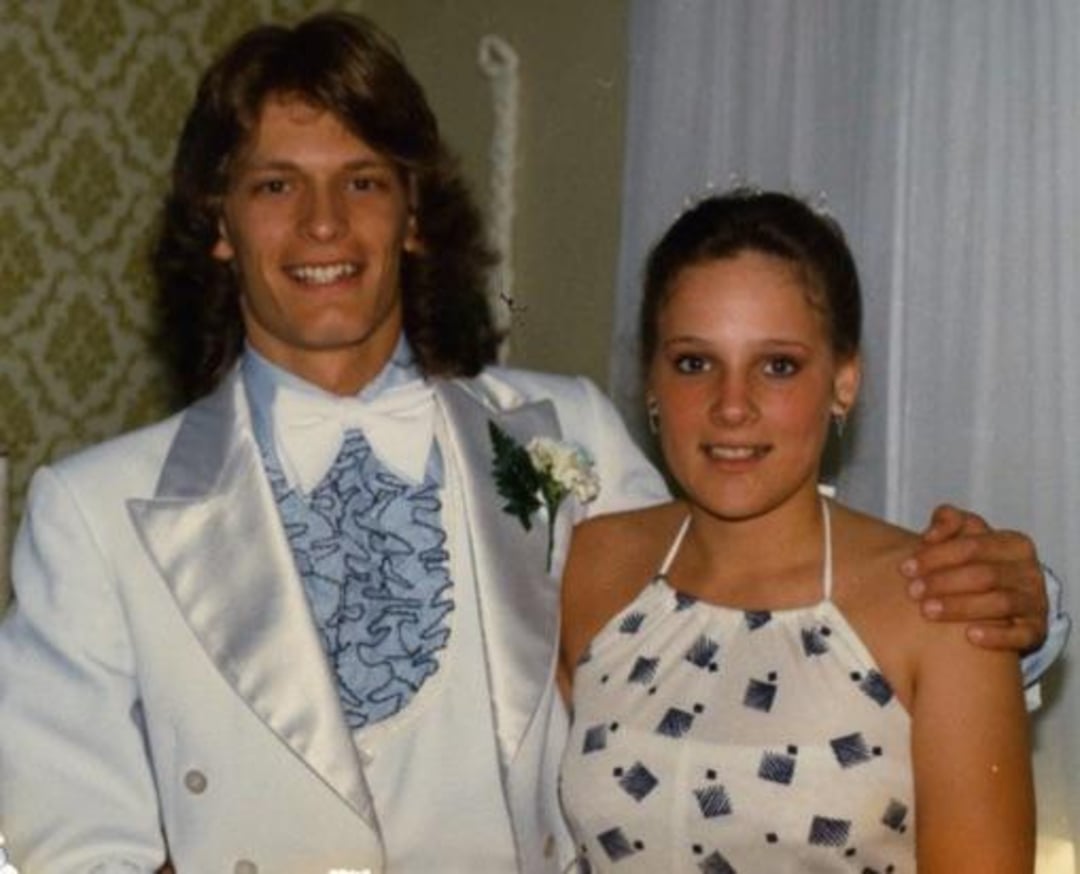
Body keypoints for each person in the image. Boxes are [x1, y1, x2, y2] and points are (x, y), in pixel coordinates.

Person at [0, 12, 1058, 874]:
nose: (323, 225)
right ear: (219, 222)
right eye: (276, 185)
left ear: (413, 211)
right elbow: (63, 838)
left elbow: (748, 598)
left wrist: (1018, 600)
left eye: (363, 178)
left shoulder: (569, 437)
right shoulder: (96, 513)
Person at [558, 189, 1036, 873]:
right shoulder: (594, 565)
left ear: (844, 382)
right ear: (652, 383)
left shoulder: (943, 604)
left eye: (777, 366)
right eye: (695, 363)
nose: (731, 407)